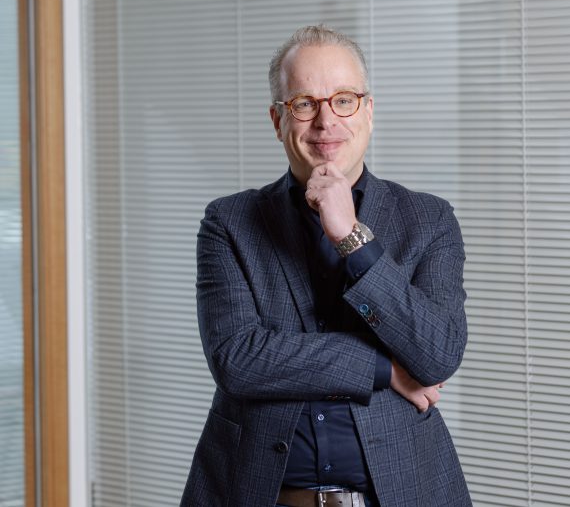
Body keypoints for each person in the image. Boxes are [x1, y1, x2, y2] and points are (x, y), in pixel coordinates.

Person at [180, 25, 472, 507]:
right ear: (277, 120)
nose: (325, 121)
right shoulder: (229, 222)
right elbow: (238, 359)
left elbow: (438, 354)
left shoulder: (429, 220)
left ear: (368, 111)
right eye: (304, 103)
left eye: (343, 100)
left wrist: (351, 237)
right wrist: (383, 368)